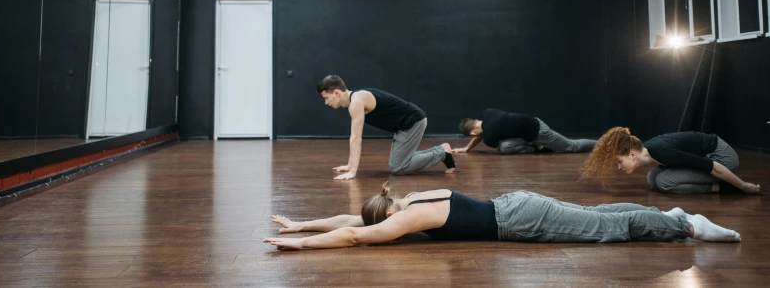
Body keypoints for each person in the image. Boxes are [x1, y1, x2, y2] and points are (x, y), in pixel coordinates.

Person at [263, 183, 741, 250]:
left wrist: (299, 245)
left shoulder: (405, 220)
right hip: (516, 203)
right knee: (597, 214)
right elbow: (354, 218)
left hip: (520, 222)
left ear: (384, 216)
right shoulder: (408, 200)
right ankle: (671, 213)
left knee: (605, 229)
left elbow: (352, 234)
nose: (381, 227)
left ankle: (687, 225)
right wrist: (303, 223)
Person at [317, 75, 455, 180]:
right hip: (403, 126)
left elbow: (356, 138)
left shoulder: (356, 102)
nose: (325, 103)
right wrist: (349, 165)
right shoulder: (356, 100)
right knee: (400, 163)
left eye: (326, 97)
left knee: (398, 167)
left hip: (412, 122)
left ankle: (442, 154)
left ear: (336, 93)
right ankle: (442, 150)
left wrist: (352, 171)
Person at [581, 127, 761, 195]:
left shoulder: (666, 153)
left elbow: (715, 168)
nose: (619, 167)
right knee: (652, 179)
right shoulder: (650, 150)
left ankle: (722, 188)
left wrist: (744, 186)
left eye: (619, 161)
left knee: (663, 181)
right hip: (707, 157)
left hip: (722, 158)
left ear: (632, 155)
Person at [453, 108, 597, 155]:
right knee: (505, 146)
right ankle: (535, 146)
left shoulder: (489, 137)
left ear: (472, 133)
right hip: (530, 126)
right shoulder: (487, 113)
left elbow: (482, 136)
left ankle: (605, 143)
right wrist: (467, 148)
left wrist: (466, 148)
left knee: (571, 146)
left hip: (539, 132)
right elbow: (481, 134)